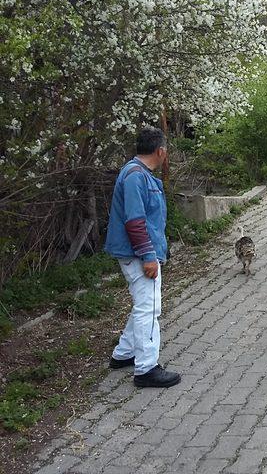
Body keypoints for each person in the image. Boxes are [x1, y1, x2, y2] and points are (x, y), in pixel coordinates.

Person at [104, 127, 180, 388]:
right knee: (149, 308)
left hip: (138, 252)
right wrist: (149, 256)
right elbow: (135, 221)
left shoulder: (137, 173)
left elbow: (147, 220)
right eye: (166, 151)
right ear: (160, 151)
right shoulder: (136, 177)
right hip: (138, 255)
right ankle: (146, 369)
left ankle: (123, 354)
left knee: (143, 304)